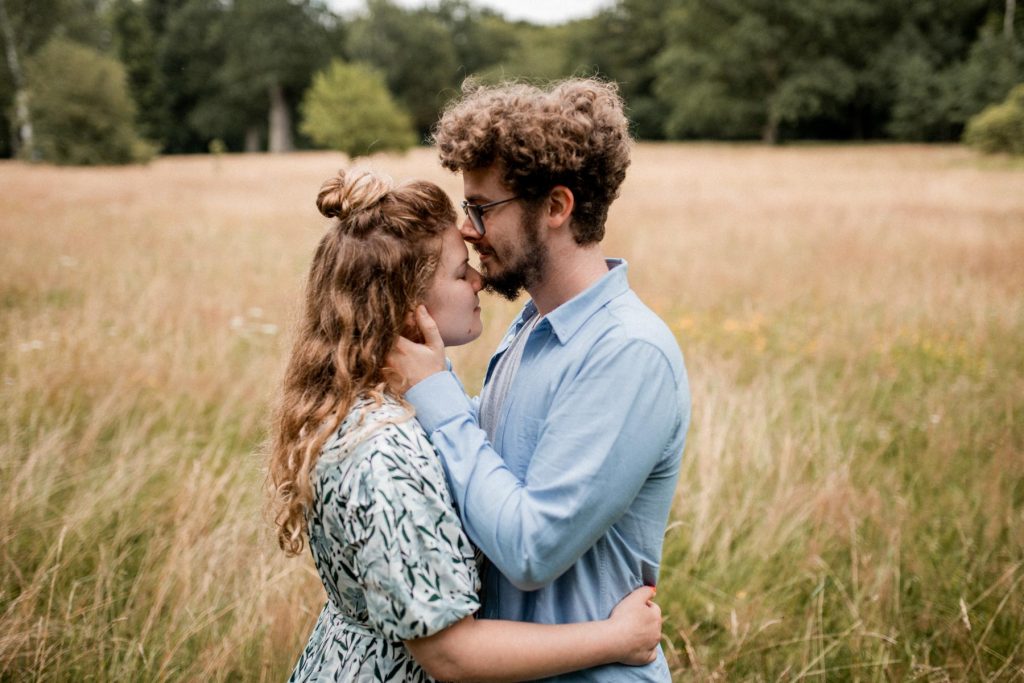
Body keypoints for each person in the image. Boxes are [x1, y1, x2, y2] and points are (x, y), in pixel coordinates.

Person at [268, 169, 663, 683]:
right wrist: (617, 638)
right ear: (407, 307)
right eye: (459, 273)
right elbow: (451, 655)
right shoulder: (384, 452)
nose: (478, 278)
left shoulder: (401, 402)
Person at [387, 79, 691, 681]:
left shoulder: (626, 352)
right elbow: (494, 464)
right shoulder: (535, 322)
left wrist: (438, 396)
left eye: (481, 207)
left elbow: (532, 550)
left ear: (555, 207)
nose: (468, 230)